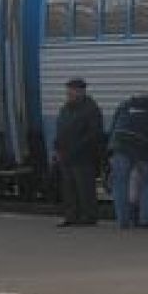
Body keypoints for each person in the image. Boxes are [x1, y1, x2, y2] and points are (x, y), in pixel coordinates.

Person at [108, 92, 148, 229]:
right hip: (144, 150)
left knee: (120, 184)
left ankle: (122, 222)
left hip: (120, 147)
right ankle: (145, 220)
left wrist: (110, 150)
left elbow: (113, 128)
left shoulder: (125, 105)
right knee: (147, 183)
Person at [53, 78, 104, 227]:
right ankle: (71, 216)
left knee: (84, 188)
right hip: (66, 155)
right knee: (69, 188)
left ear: (81, 91)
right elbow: (60, 129)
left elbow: (94, 133)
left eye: (72, 90)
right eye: (68, 90)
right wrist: (57, 148)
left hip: (83, 156)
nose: (69, 93)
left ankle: (88, 216)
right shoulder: (66, 108)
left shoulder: (91, 109)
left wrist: (76, 148)